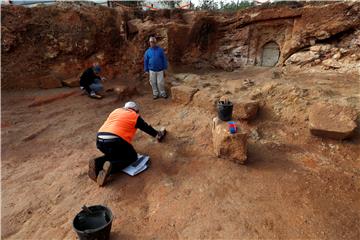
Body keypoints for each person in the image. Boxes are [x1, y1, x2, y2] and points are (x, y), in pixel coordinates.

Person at [88, 101, 166, 186]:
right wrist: (158, 134)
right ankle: (111, 168)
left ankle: (97, 163)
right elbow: (147, 128)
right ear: (136, 110)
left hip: (99, 139)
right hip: (115, 140)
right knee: (131, 157)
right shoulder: (134, 116)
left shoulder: (116, 111)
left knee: (116, 154)